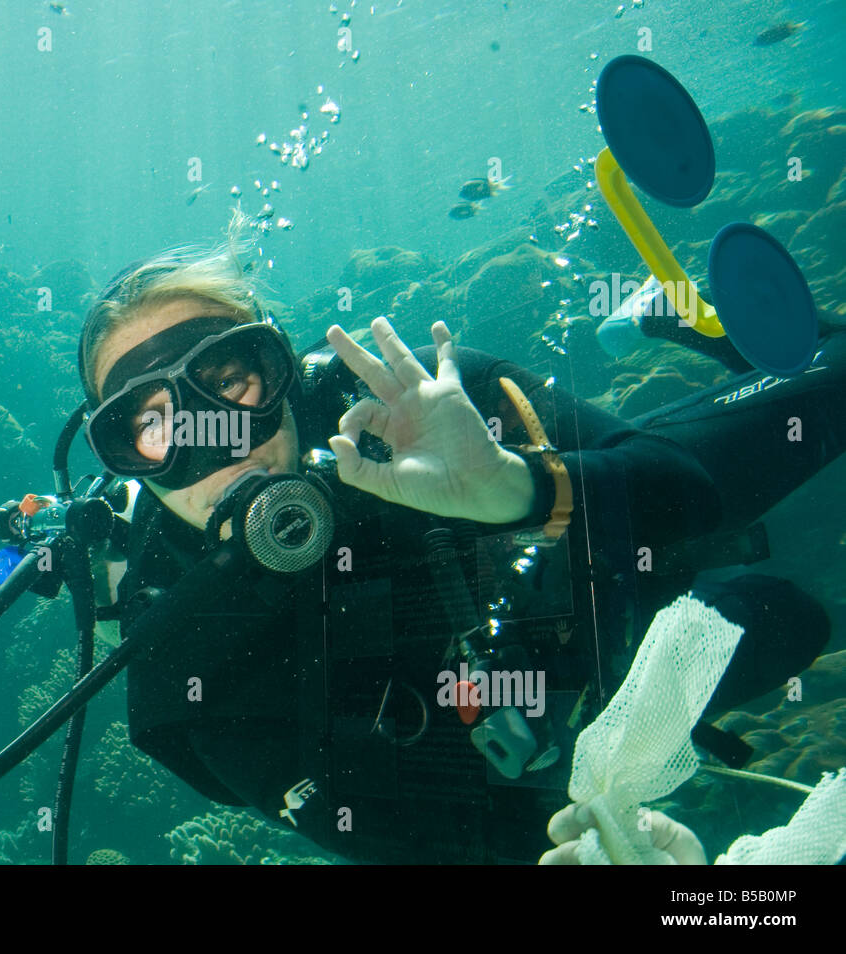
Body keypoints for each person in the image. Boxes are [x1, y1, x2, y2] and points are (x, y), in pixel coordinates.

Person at [76, 236, 841, 864]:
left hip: (608, 578)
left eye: (229, 381)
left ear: (276, 368)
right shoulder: (179, 658)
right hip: (571, 714)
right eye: (154, 424)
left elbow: (689, 487)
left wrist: (516, 486)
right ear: (124, 455)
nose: (216, 442)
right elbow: (402, 840)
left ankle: (679, 322)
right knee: (793, 618)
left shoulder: (408, 408)